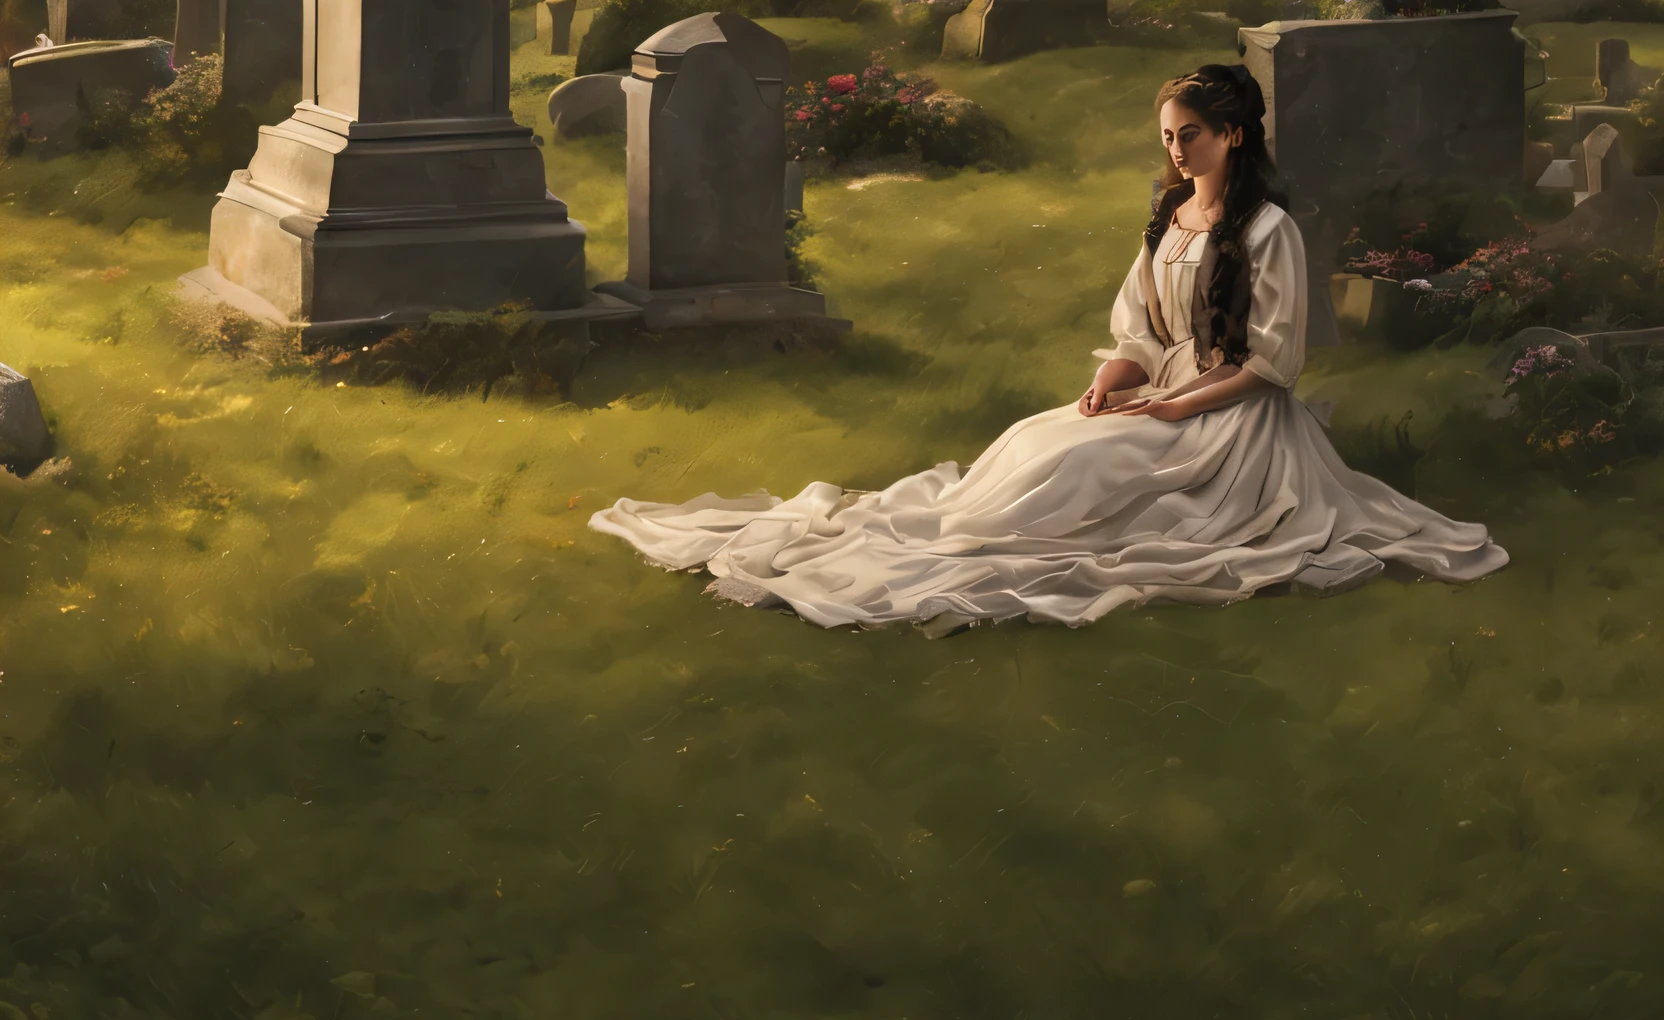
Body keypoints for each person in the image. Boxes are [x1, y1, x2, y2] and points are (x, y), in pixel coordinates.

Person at [590, 63, 1508, 627]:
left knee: (1082, 475)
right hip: (1167, 392)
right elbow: (1139, 325)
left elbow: (1275, 361)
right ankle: (967, 523)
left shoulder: (1268, 231)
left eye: (1191, 135)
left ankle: (1014, 528)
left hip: (1235, 419)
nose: (1178, 151)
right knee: (1040, 438)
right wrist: (1117, 379)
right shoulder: (1171, 218)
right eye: (1167, 137)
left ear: (1233, 134)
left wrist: (1176, 404)